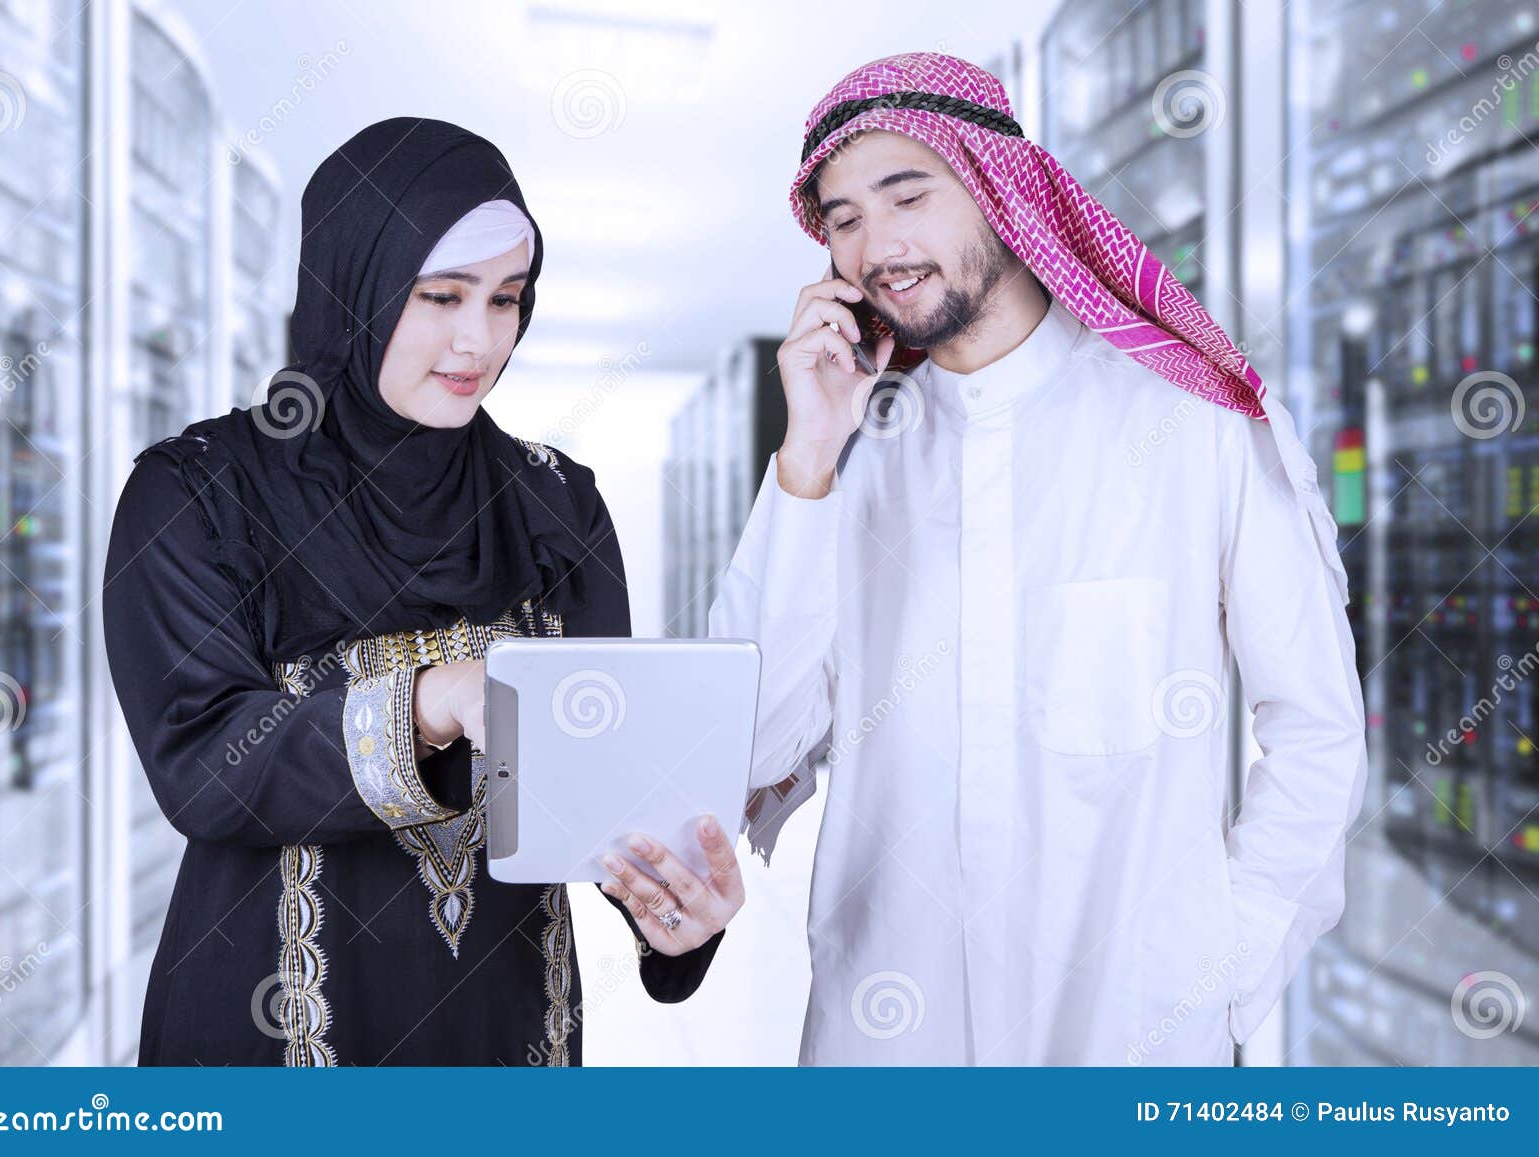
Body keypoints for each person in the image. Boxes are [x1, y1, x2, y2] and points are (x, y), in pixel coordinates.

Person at [708, 53, 1366, 1065]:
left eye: (907, 193)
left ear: (999, 186)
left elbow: (1317, 732)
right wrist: (805, 458)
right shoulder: (844, 457)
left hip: (1125, 1043)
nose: (878, 244)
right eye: (841, 218)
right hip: (886, 1038)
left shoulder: (1192, 422)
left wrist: (1220, 970)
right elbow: (741, 747)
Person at [103, 118, 742, 1066]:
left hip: (509, 1022)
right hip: (266, 1025)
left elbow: (599, 786)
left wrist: (673, 917)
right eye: (439, 295)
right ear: (350, 282)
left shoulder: (556, 503)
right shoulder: (198, 492)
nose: (477, 338)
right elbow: (202, 759)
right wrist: (431, 701)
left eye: (507, 298)